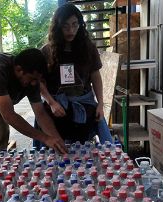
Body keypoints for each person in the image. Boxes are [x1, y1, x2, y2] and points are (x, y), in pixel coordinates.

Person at [36, 3, 113, 145]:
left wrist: (100, 104)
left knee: (82, 147)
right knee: (53, 148)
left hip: (84, 103)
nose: (71, 30)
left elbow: (95, 76)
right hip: (56, 107)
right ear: (57, 27)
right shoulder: (47, 51)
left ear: (80, 24)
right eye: (65, 26)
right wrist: (51, 102)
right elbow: (39, 81)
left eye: (74, 24)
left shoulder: (88, 48)